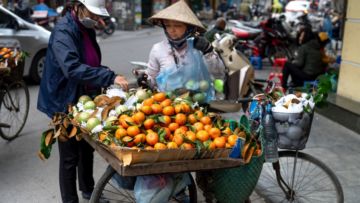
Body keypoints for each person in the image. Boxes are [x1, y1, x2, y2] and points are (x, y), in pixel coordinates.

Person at [114, 1, 225, 202]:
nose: (173, 31)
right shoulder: (158, 50)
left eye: (178, 26)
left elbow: (219, 73)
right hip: (167, 114)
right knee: (168, 155)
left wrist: (209, 50)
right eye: (169, 26)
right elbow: (152, 77)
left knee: (199, 156)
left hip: (197, 113)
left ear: (188, 28)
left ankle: (203, 188)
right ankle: (176, 188)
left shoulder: (198, 47)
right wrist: (145, 80)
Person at [37, 0, 128, 202]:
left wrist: (105, 73)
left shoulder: (87, 28)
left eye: (98, 15)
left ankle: (89, 191)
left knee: (87, 149)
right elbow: (71, 68)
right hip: (64, 100)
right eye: (92, 14)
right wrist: (109, 77)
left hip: (84, 98)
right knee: (70, 157)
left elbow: (88, 61)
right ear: (77, 6)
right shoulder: (63, 31)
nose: (96, 19)